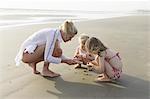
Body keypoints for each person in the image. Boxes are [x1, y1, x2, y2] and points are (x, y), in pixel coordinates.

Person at [15, 20, 80, 77]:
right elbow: (48, 57)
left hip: (28, 53)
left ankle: (33, 63)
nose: (70, 40)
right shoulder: (53, 35)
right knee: (56, 51)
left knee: (56, 51)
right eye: (70, 37)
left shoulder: (56, 33)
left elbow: (57, 54)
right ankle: (45, 70)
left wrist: (70, 60)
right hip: (26, 55)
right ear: (65, 33)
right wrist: (65, 61)